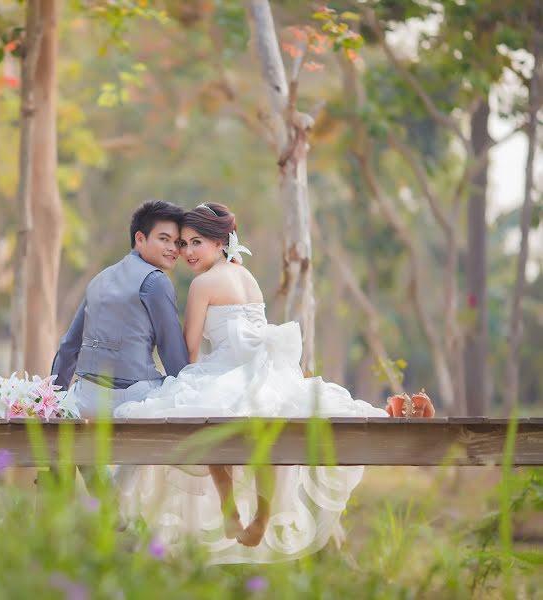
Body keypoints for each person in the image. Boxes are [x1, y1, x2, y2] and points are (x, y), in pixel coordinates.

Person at [113, 202, 433, 564]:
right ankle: (260, 515)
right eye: (184, 244)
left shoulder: (203, 284)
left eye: (195, 242)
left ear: (221, 242)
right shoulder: (245, 275)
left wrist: (178, 378)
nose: (186, 252)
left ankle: (230, 506)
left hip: (227, 370)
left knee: (203, 411)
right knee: (260, 430)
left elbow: (189, 349)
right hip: (267, 371)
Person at [51, 200, 189, 419]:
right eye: (164, 239)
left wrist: (52, 402)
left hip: (85, 399)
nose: (173, 249)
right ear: (140, 238)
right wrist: (188, 397)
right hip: (132, 399)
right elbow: (171, 351)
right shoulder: (156, 281)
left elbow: (70, 345)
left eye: (178, 242)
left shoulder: (100, 278)